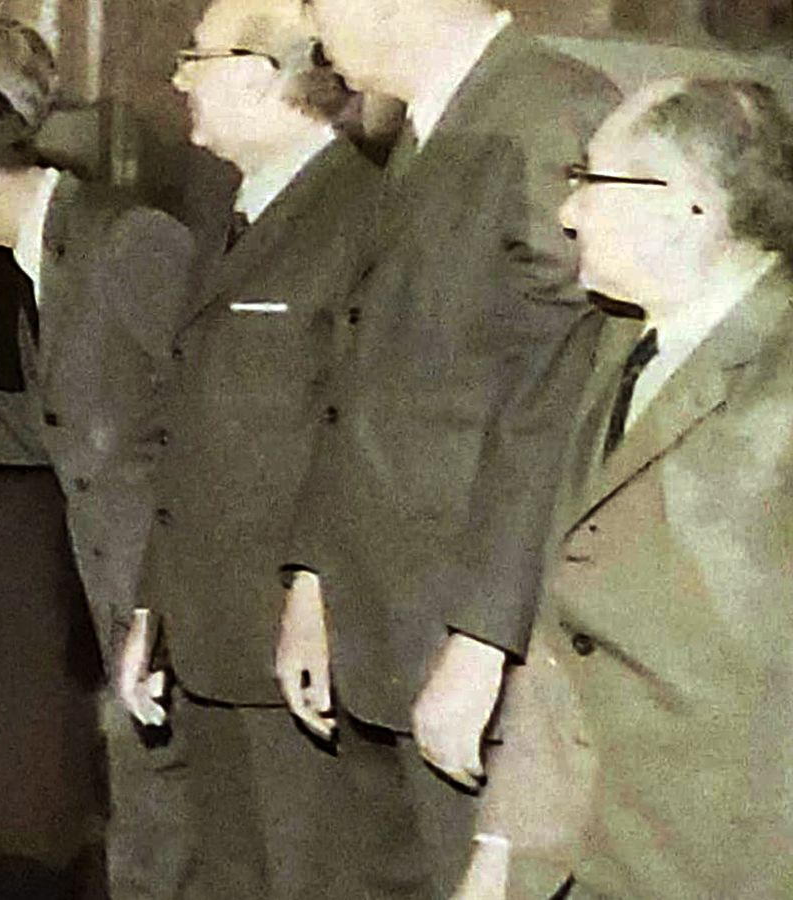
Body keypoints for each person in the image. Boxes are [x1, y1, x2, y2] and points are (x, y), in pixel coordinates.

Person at [277, 0, 620, 890]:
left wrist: (483, 641)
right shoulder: (429, 125)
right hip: (383, 625)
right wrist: (316, 581)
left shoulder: (546, 113)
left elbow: (554, 403)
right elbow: (365, 387)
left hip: (464, 646)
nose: (313, 30)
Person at [455, 77, 793, 900]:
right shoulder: (613, 346)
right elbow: (565, 634)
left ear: (687, 208)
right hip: (576, 855)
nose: (569, 213)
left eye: (590, 180)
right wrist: (502, 848)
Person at [126, 1, 425, 896]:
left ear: (262, 76)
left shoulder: (367, 212)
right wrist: (153, 611)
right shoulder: (239, 212)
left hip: (300, 655)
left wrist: (315, 598)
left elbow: (360, 437)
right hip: (214, 640)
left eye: (197, 58)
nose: (178, 78)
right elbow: (196, 437)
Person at [0, 76, 196, 897]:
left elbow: (203, 432)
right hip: (118, 592)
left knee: (174, 838)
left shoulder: (130, 241)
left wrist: (160, 604)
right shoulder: (45, 256)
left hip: (164, 593)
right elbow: (70, 427)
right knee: (143, 831)